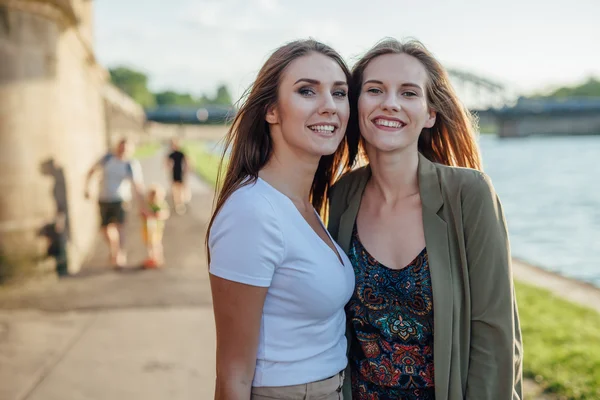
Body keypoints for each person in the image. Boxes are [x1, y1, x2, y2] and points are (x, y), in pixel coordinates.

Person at [328, 39, 523, 400]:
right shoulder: (342, 195)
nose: (390, 102)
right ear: (357, 105)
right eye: (375, 90)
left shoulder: (469, 194)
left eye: (408, 93)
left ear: (430, 113)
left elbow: (495, 336)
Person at [207, 39, 355, 399]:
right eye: (307, 91)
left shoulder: (304, 206)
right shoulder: (253, 211)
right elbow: (233, 373)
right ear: (271, 110)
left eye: (339, 93)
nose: (329, 107)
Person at [84, 138, 145, 268]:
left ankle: (119, 256)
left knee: (119, 227)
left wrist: (142, 205)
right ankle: (114, 249)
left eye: (126, 148)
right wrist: (88, 188)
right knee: (105, 229)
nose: (123, 150)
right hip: (104, 198)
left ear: (130, 150)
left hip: (121, 199)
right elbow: (92, 171)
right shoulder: (107, 159)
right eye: (121, 147)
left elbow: (137, 185)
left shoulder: (130, 164)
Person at [141, 184, 170, 268]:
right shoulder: (148, 204)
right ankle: (151, 257)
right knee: (149, 243)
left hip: (156, 228)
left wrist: (154, 215)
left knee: (156, 243)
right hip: (147, 228)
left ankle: (158, 257)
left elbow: (164, 214)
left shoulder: (160, 205)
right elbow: (142, 213)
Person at [166, 138, 191, 215]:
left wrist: (186, 170)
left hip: (180, 173)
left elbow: (187, 162)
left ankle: (180, 203)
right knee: (175, 189)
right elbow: (167, 163)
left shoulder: (181, 153)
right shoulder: (171, 154)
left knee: (180, 189)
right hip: (175, 173)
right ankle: (178, 204)